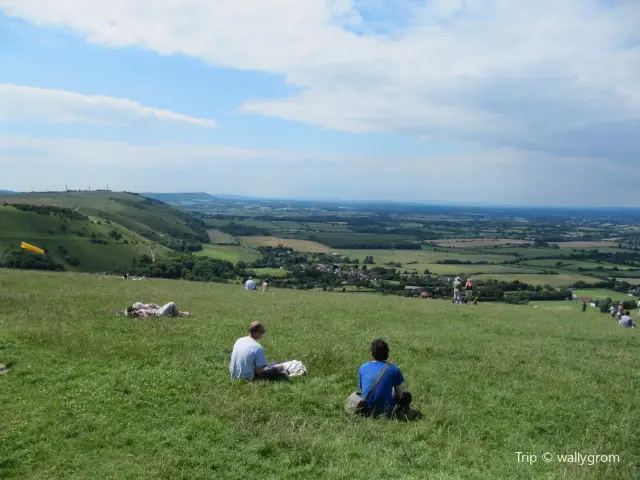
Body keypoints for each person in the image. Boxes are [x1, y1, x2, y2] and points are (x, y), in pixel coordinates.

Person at [358, 338, 411, 418]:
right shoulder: (394, 369)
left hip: (366, 411)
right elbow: (399, 396)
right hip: (386, 412)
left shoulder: (363, 367)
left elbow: (362, 390)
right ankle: (402, 413)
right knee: (407, 396)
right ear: (386, 354)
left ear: (372, 353)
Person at [125, 302, 189, 319]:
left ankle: (181, 313)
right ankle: (180, 315)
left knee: (171, 308)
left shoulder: (139, 310)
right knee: (172, 304)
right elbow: (151, 314)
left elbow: (153, 306)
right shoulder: (140, 312)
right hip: (159, 313)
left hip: (158, 311)